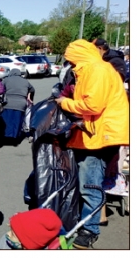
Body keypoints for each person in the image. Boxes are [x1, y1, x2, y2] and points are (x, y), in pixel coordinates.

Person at [57, 39, 130, 249]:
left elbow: (92, 105)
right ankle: (86, 224)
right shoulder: (96, 68)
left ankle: (90, 230)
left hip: (100, 136)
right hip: (97, 134)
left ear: (77, 56)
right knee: (89, 183)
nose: (70, 65)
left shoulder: (95, 70)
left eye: (71, 60)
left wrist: (64, 103)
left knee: (90, 184)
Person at [0, 68, 34, 143]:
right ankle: (15, 137)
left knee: (6, 120)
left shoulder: (6, 80)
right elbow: (32, 89)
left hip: (8, 103)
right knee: (17, 120)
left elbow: (0, 89)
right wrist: (30, 98)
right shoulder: (25, 81)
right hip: (21, 104)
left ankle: (6, 136)